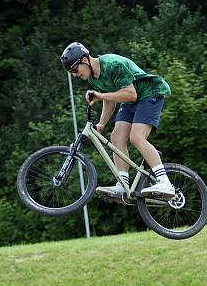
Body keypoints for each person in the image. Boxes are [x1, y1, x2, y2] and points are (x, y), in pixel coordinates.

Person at [60, 42, 175, 200]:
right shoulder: (94, 78)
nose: (74, 74)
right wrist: (102, 123)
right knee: (116, 138)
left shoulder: (112, 65)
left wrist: (101, 96)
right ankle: (123, 184)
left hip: (149, 93)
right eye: (71, 72)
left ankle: (164, 182)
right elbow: (110, 100)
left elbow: (131, 94)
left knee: (136, 138)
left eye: (74, 69)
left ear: (85, 60)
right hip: (130, 100)